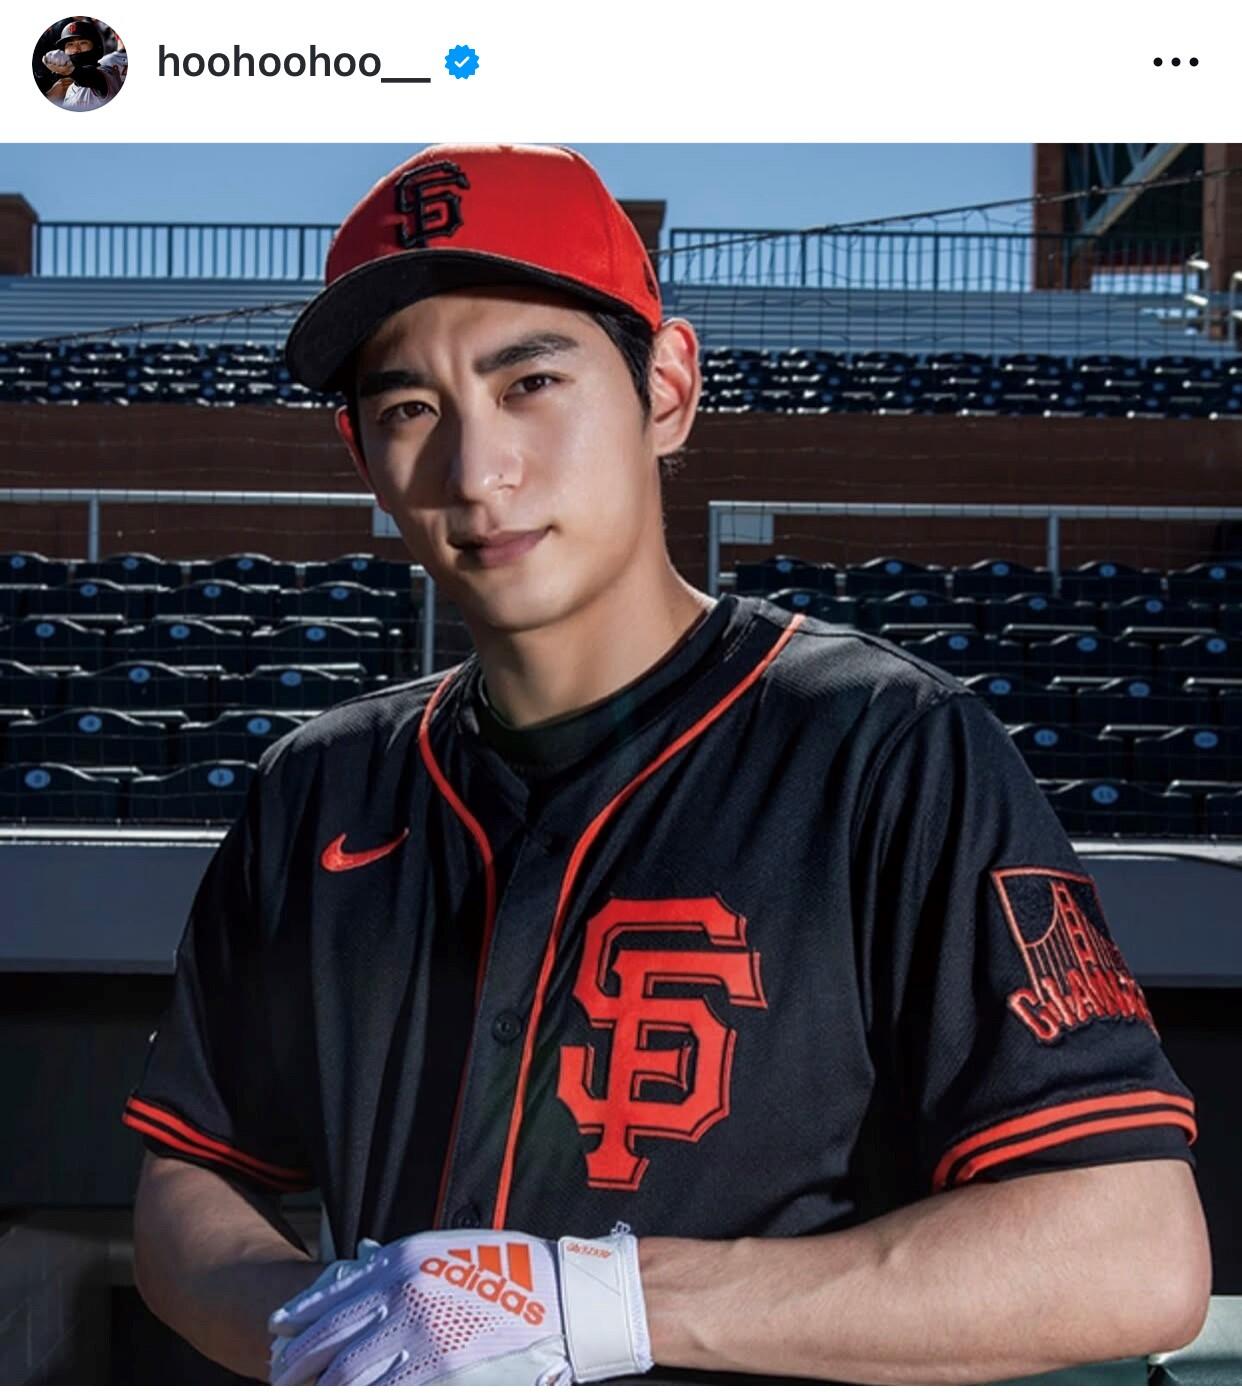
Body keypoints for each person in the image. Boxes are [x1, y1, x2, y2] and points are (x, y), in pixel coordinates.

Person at [124, 144, 1211, 1385]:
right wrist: (339, 1334)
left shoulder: (888, 744)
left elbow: (1132, 1251)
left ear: (669, 389)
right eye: (410, 409)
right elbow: (190, 1181)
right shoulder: (318, 785)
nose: (477, 472)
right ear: (362, 456)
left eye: (532, 381)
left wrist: (595, 1302)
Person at [42, 17, 126, 111]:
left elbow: (92, 77)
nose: (76, 49)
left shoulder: (108, 73)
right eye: (70, 44)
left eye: (83, 43)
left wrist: (71, 71)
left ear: (96, 47)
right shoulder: (70, 88)